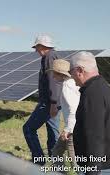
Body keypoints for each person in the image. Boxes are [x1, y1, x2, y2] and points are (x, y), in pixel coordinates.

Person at [69, 51, 110, 175]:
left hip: (102, 168)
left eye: (71, 72)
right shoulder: (102, 86)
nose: (71, 76)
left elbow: (95, 135)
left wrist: (91, 173)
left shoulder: (92, 93)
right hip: (106, 163)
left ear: (79, 70)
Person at [23, 35, 62, 165]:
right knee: (53, 135)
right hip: (53, 102)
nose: (36, 50)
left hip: (49, 103)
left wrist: (53, 103)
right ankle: (57, 166)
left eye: (37, 47)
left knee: (28, 129)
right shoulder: (52, 56)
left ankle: (38, 160)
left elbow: (54, 81)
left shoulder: (49, 57)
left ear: (42, 46)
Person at [47, 59, 80, 172]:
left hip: (72, 129)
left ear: (60, 74)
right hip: (73, 127)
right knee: (56, 152)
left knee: (75, 162)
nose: (52, 75)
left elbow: (73, 109)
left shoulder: (67, 86)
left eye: (54, 72)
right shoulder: (71, 83)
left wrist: (67, 129)